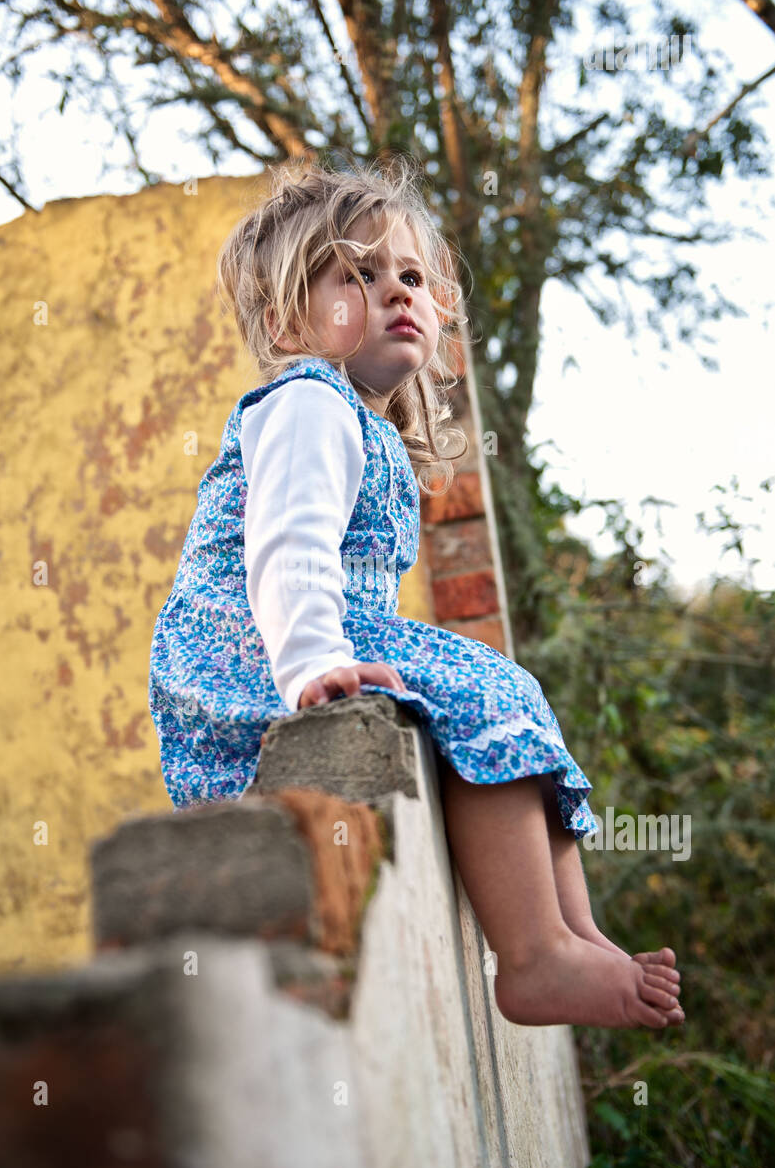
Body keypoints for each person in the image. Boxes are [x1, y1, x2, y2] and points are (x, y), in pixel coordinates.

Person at [148, 154, 684, 1030]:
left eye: (411, 276)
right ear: (291, 319)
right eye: (358, 275)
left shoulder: (359, 422)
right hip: (250, 654)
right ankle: (536, 956)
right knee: (482, 684)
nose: (397, 292)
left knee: (502, 683)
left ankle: (575, 934)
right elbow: (286, 547)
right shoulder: (307, 402)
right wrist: (316, 663)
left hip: (308, 640)